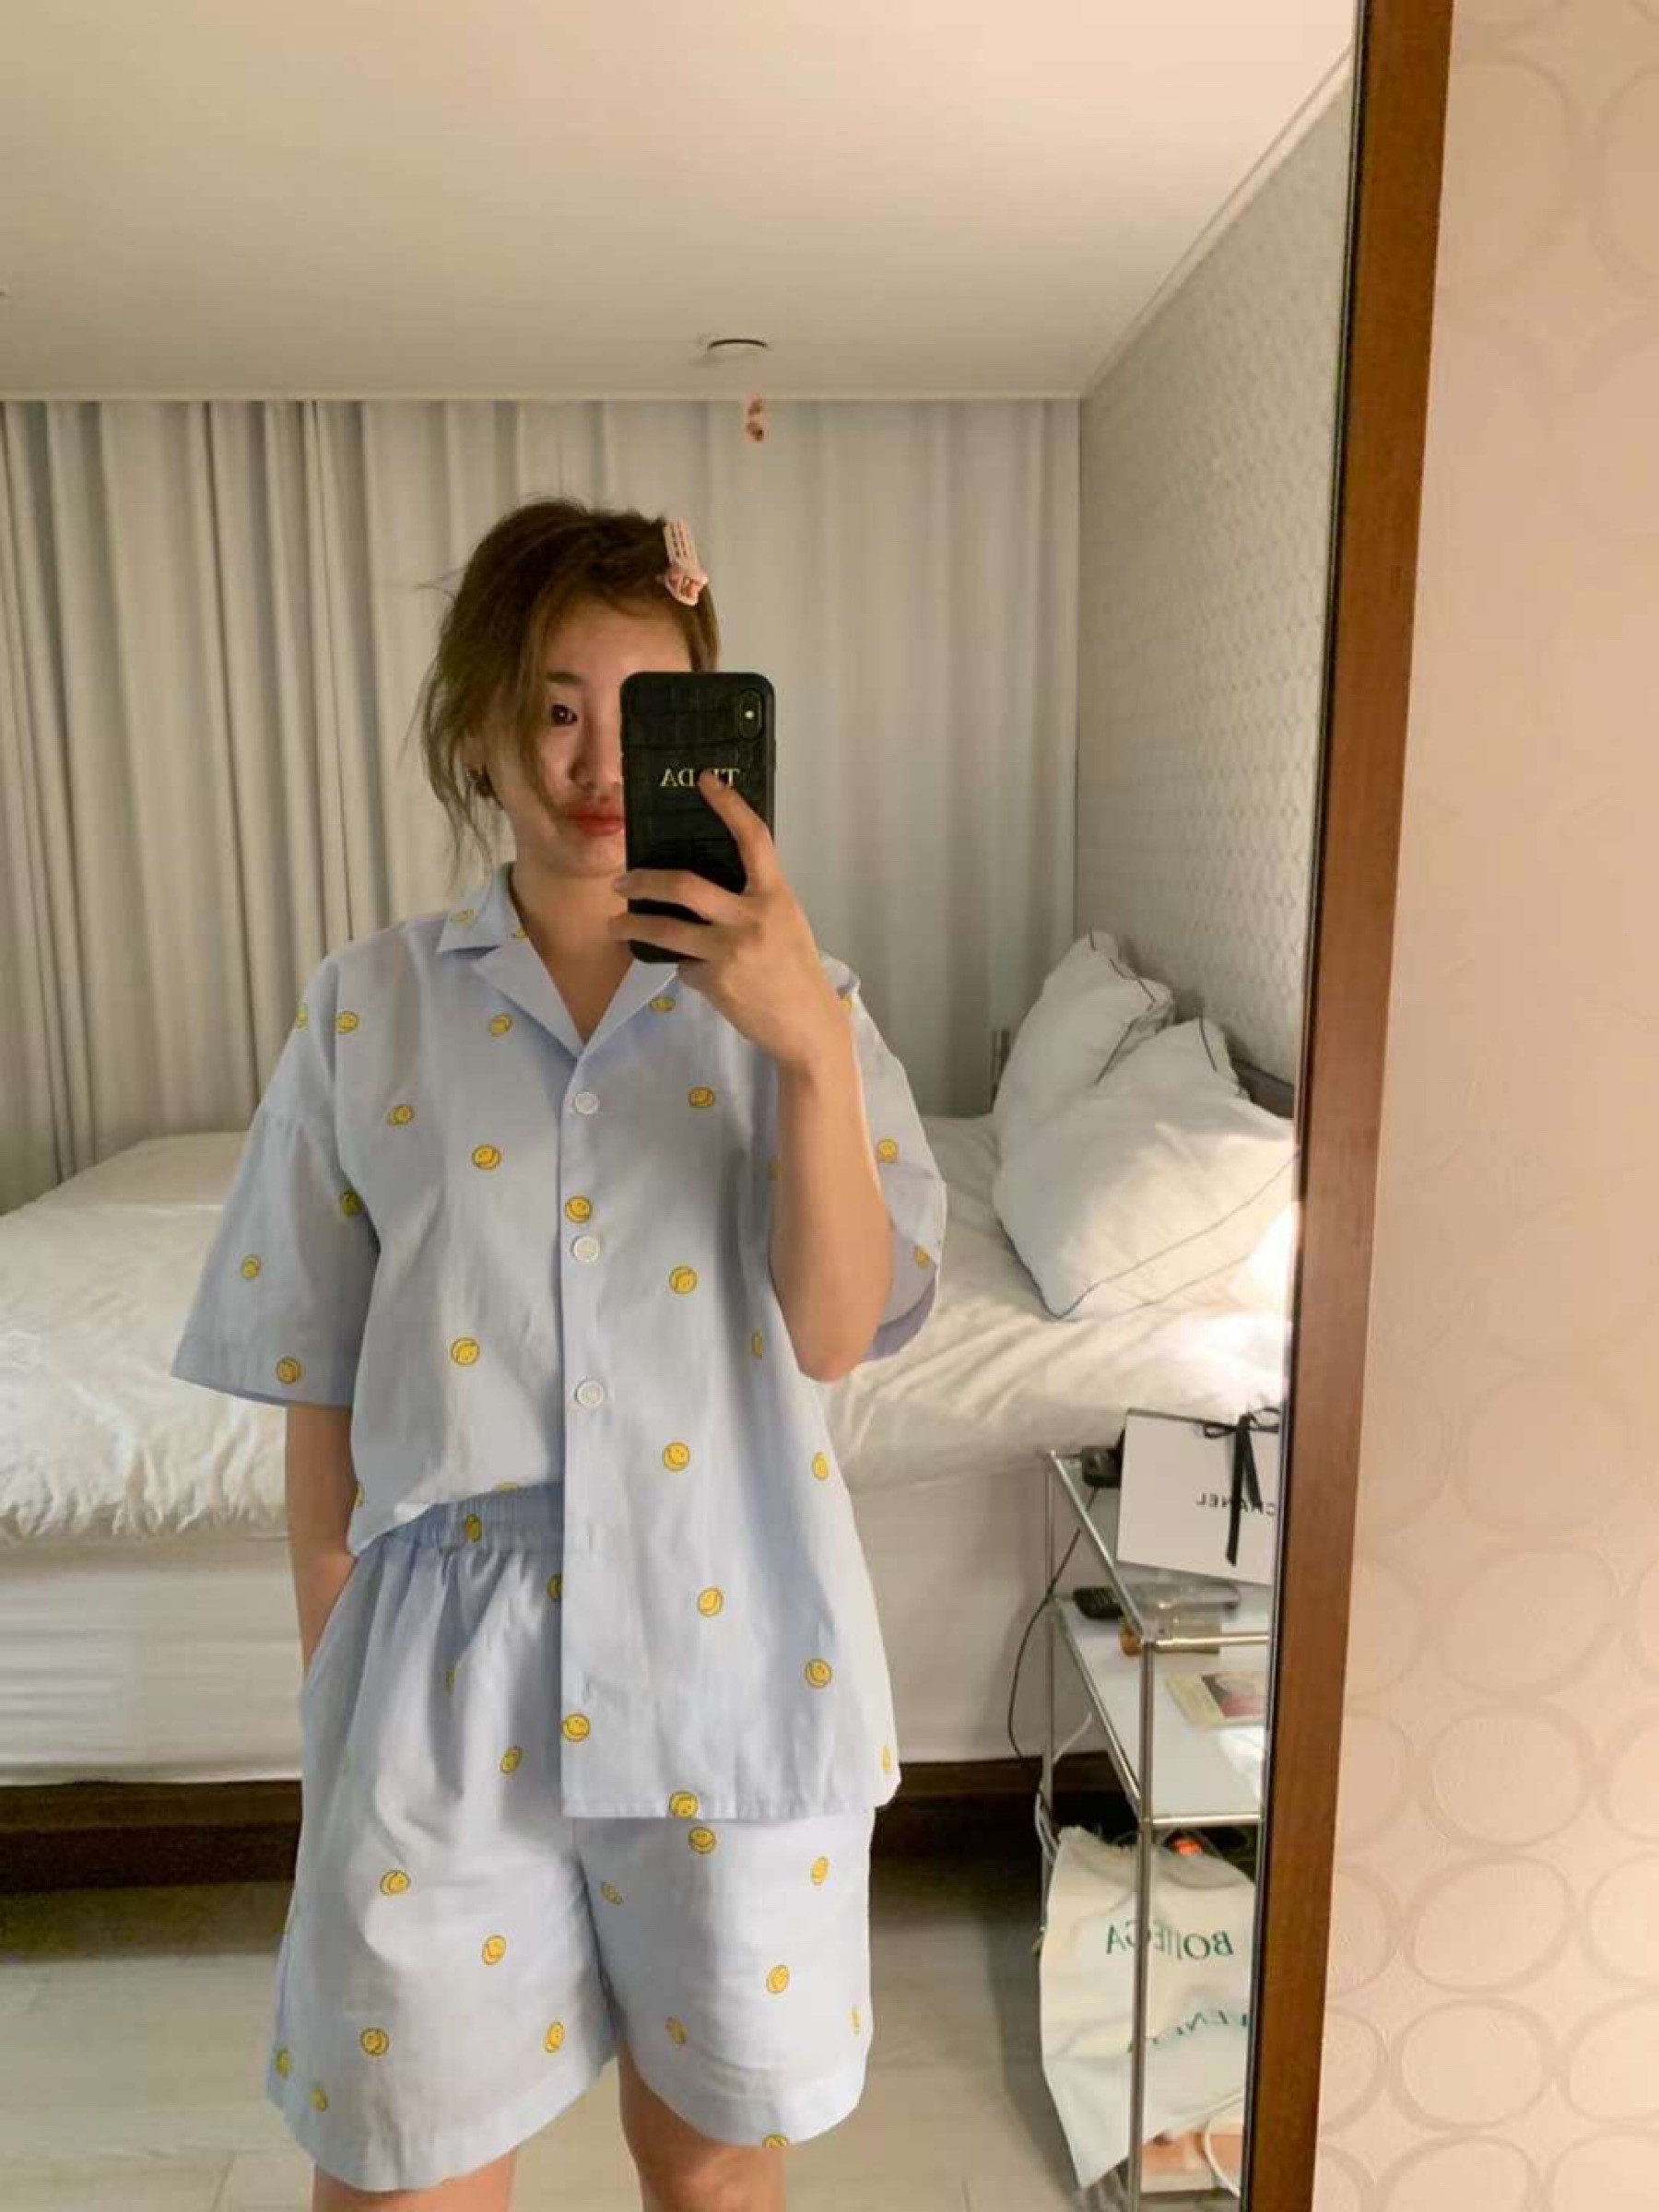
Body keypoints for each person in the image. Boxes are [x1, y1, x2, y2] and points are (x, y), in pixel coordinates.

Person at [170, 497, 948, 2211]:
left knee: (709, 2168)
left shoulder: (807, 1008)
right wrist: (332, 1684)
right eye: (554, 707)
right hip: (439, 1682)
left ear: (708, 738)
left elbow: (837, 1329)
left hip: (732, 1643)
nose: (600, 762)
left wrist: (806, 1051)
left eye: (644, 711)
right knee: (401, 2173)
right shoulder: (366, 1008)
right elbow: (317, 1380)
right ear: (475, 729)